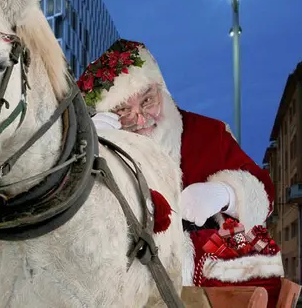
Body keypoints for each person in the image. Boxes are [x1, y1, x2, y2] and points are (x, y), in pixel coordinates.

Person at [77, 39, 286, 306]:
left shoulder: (208, 132)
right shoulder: (101, 142)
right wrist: (94, 151)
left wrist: (226, 193)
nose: (140, 119)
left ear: (160, 88)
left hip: (203, 286)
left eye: (147, 101)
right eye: (123, 111)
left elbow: (264, 190)